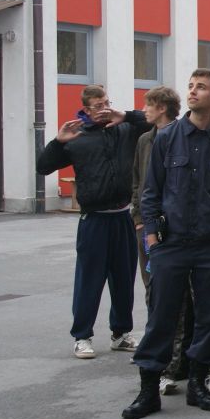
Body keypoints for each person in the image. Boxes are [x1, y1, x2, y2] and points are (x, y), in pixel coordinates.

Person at [122, 69, 210, 419]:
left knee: (208, 319)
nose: (192, 92)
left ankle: (197, 385)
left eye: (201, 87)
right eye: (190, 86)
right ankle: (148, 391)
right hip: (171, 244)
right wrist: (152, 240)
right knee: (161, 318)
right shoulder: (166, 138)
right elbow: (151, 192)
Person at [37, 85, 151, 359]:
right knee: (90, 279)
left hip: (123, 215)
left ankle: (121, 333)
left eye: (106, 103)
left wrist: (125, 115)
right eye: (98, 105)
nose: (104, 109)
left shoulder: (125, 129)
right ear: (86, 110)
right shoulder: (77, 137)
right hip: (94, 220)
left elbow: (150, 120)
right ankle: (82, 336)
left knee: (124, 278)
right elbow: (43, 166)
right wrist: (58, 142)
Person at [131, 86, 185, 395]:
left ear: (162, 107)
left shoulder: (180, 136)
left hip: (175, 230)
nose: (144, 110)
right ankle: (155, 363)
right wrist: (139, 219)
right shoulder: (144, 140)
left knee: (177, 299)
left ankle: (174, 363)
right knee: (153, 292)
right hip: (147, 228)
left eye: (148, 105)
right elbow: (138, 182)